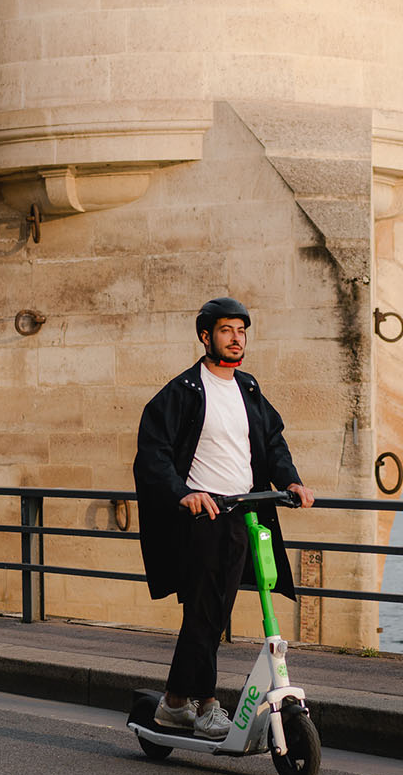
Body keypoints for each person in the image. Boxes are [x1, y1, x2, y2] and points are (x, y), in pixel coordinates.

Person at [133, 297, 314, 739]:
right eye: (227, 331)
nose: (236, 339)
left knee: (210, 612)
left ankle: (176, 703)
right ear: (205, 336)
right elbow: (153, 456)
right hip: (203, 515)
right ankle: (207, 703)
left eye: (242, 331)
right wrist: (183, 494)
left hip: (243, 514)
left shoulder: (248, 388)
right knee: (207, 612)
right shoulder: (183, 392)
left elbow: (272, 443)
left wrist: (290, 481)